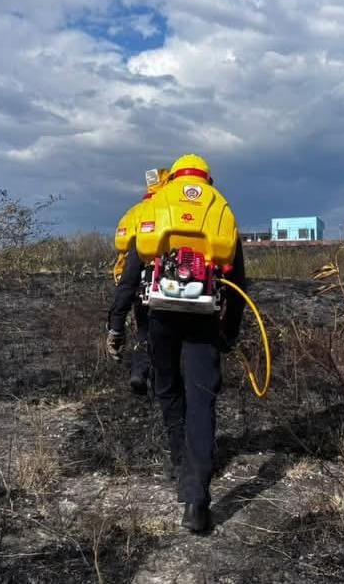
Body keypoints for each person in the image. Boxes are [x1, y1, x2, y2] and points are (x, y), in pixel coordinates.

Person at [105, 154, 246, 533]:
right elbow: (240, 286)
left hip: (159, 319)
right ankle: (197, 501)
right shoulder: (220, 210)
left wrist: (116, 326)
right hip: (205, 321)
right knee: (202, 401)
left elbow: (130, 277)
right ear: (207, 179)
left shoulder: (159, 206)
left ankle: (179, 464)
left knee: (168, 391)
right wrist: (229, 334)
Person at [107, 169, 169, 395]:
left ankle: (140, 371)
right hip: (168, 287)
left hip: (136, 286)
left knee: (145, 331)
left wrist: (116, 323)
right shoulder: (166, 213)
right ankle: (155, 378)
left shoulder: (134, 213)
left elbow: (128, 267)